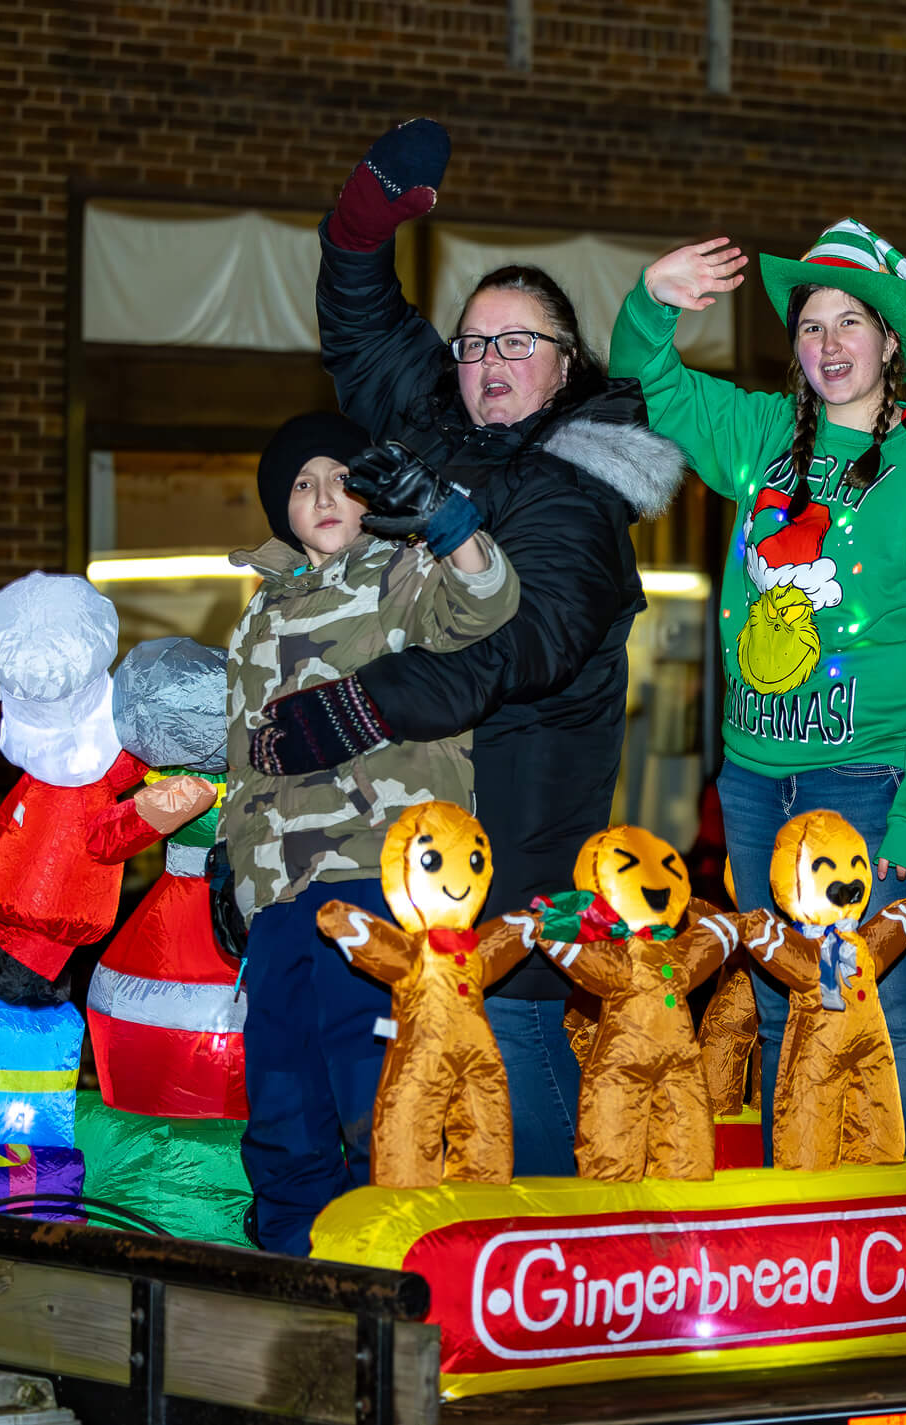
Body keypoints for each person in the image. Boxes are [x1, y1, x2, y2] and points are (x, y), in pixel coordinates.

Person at [250, 119, 683, 1179]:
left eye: (518, 344)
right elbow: (360, 328)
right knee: (395, 1075)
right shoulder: (434, 421)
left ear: (566, 365)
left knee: (510, 1041)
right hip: (399, 824)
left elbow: (521, 645)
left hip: (517, 820)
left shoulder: (575, 490)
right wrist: (366, 220)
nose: (490, 364)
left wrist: (363, 704)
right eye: (476, 343)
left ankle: (549, 1267)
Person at [611, 221, 906, 1158]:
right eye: (811, 326)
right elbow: (647, 385)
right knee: (789, 1010)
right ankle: (815, 1219)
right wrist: (651, 299)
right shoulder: (757, 435)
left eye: (849, 324)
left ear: (890, 342)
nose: (827, 345)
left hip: (870, 784)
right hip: (752, 783)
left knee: (894, 1010)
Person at [226, 410, 521, 1255]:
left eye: (338, 479)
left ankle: (385, 1279)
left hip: (377, 884)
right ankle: (290, 1271)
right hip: (280, 900)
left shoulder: (404, 575)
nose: (322, 497)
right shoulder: (257, 614)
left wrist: (450, 522)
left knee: (382, 1099)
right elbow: (245, 757)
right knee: (284, 1104)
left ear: (369, 495)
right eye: (300, 484)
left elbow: (487, 601)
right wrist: (231, 866)